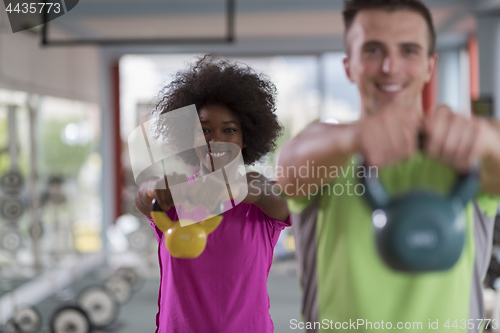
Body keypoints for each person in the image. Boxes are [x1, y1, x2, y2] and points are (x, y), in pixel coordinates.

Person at [277, 0, 500, 332]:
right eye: (372, 50)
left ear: (429, 66)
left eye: (409, 50)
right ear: (349, 66)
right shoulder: (328, 147)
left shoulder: (468, 152)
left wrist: (484, 138)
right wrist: (353, 138)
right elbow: (289, 168)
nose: (390, 66)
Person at [135, 55, 290, 333]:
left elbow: (272, 196)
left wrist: (247, 189)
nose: (215, 139)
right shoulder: (176, 197)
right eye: (204, 130)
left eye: (229, 130)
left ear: (246, 137)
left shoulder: (257, 199)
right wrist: (151, 188)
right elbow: (146, 199)